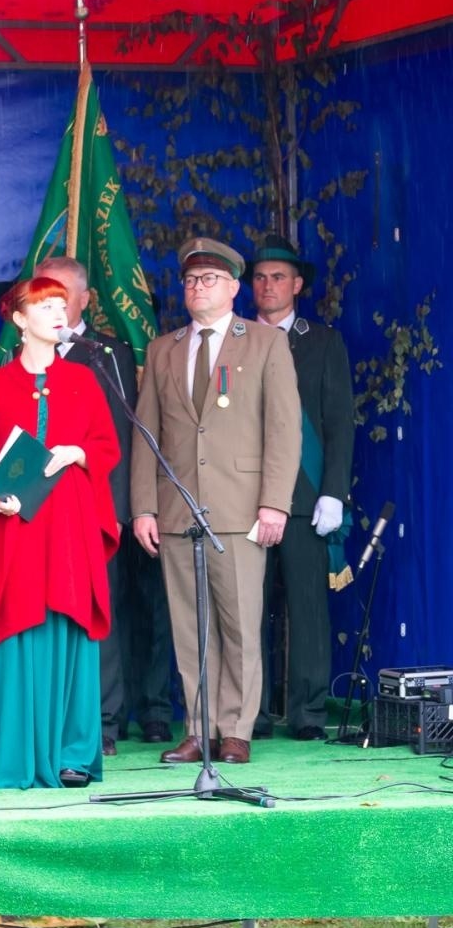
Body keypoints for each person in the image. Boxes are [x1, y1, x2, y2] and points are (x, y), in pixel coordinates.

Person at [0, 276, 119, 789]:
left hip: (68, 526)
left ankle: (72, 753)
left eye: (62, 304)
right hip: (13, 528)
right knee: (15, 628)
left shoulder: (84, 380)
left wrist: (79, 453)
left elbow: (107, 446)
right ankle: (11, 754)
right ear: (19, 320)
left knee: (68, 627)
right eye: (45, 305)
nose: (58, 312)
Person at [132, 237, 300, 767]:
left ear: (233, 288)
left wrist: (275, 503)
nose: (195, 288)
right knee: (189, 625)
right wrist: (143, 506)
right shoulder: (164, 348)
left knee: (239, 623)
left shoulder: (265, 344)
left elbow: (283, 428)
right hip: (179, 508)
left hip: (241, 506)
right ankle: (198, 727)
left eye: (207, 280)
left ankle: (236, 729)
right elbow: (147, 435)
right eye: (189, 280)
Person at [35, 255, 174, 754]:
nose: (50, 302)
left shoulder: (106, 354)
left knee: (102, 615)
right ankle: (50, 719)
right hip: (39, 511)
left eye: (61, 294)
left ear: (84, 301)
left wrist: (118, 508)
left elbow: (120, 438)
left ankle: (103, 721)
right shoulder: (24, 352)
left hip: (94, 507)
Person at [248, 234, 353, 741]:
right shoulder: (235, 339)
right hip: (246, 499)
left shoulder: (323, 341)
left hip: (306, 501)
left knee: (309, 610)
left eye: (278, 277)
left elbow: (338, 423)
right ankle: (253, 714)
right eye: (261, 277)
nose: (268, 286)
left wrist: (333, 491)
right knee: (248, 611)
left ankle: (309, 713)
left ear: (298, 285)